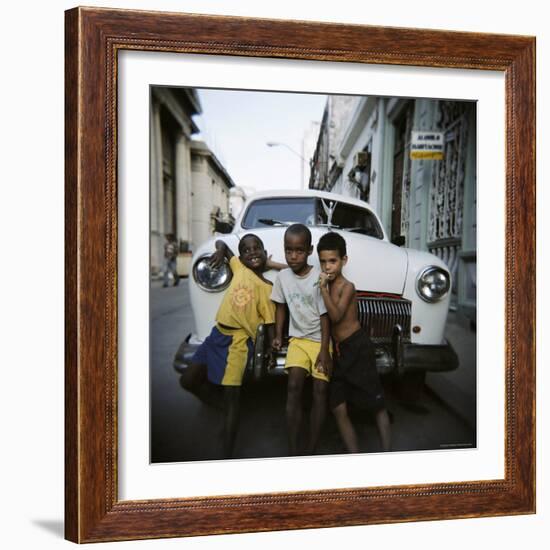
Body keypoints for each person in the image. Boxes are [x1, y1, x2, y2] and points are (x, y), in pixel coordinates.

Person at [180, 234, 285, 458]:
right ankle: (227, 411)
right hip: (216, 335)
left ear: (265, 253)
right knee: (187, 380)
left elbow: (268, 322)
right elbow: (222, 244)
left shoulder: (267, 288)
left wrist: (268, 347)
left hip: (238, 343)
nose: (252, 252)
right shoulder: (237, 267)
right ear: (241, 257)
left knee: (232, 396)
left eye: (257, 248)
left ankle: (227, 449)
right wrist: (219, 252)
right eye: (246, 250)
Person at [316, 231, 391, 452]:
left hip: (358, 347)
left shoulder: (347, 286)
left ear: (343, 261)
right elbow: (296, 270)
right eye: (323, 262)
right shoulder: (327, 284)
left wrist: (322, 290)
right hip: (340, 351)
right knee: (338, 405)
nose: (327, 267)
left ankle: (388, 454)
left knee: (376, 404)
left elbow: (336, 316)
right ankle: (354, 456)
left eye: (333, 261)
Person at [271, 224, 332, 455]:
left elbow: (325, 316)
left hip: (320, 340)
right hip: (297, 340)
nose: (293, 256)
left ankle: (312, 446)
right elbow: (280, 309)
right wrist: (278, 335)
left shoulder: (318, 277)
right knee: (294, 385)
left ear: (309, 250)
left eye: (299, 250)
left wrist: (325, 350)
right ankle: (294, 446)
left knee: (320, 389)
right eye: (288, 250)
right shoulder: (283, 277)